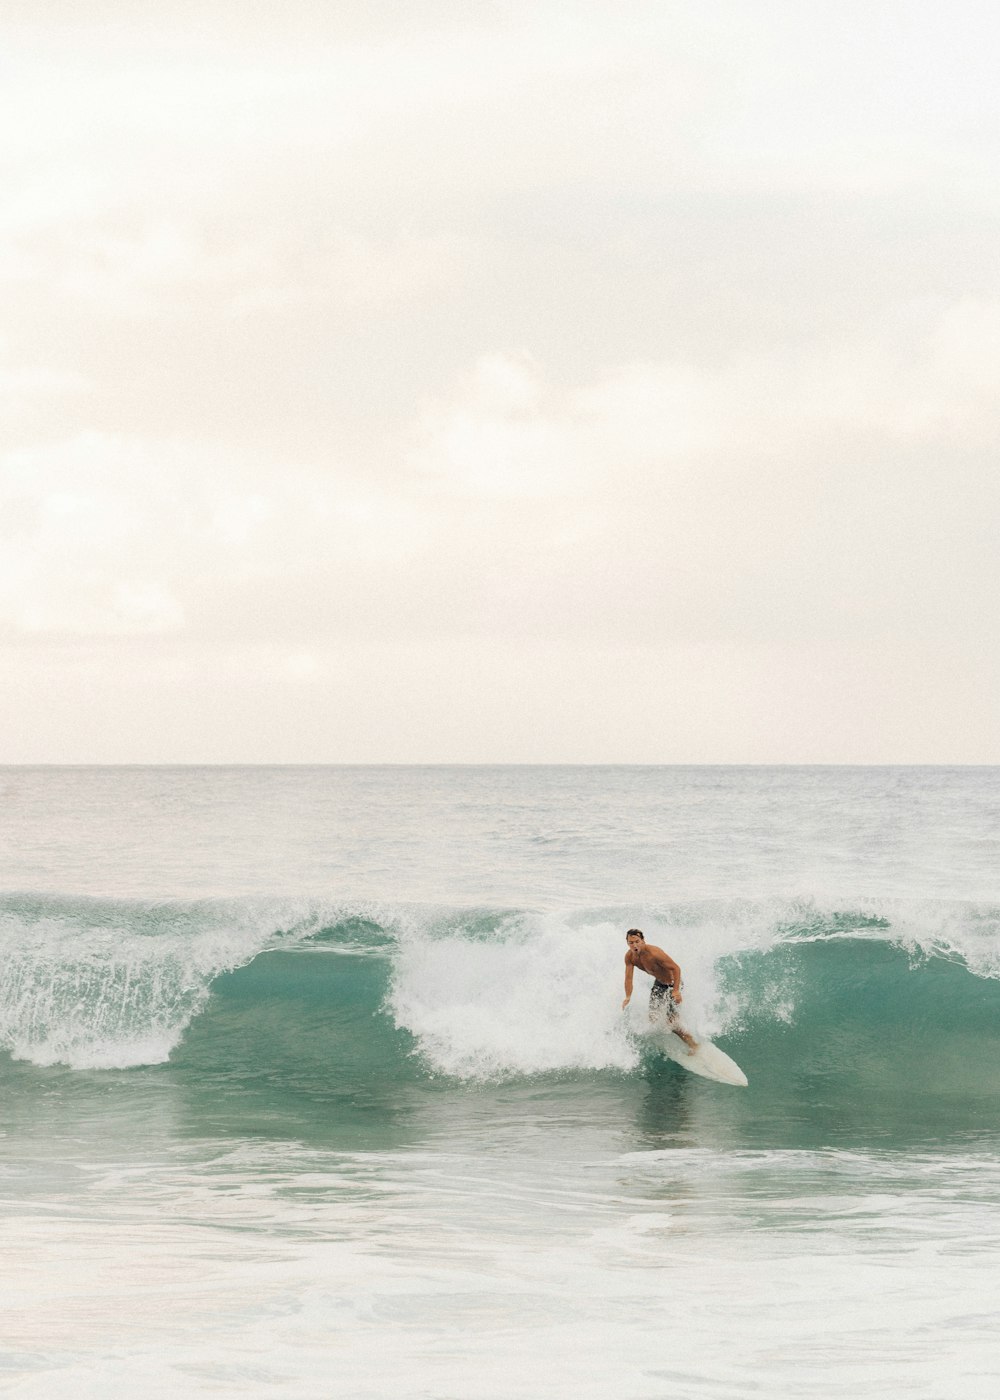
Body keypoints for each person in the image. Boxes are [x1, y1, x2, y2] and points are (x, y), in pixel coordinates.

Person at [621, 928, 698, 1051]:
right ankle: (669, 1032)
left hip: (672, 985)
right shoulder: (630, 957)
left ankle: (693, 1045)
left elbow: (676, 968)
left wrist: (676, 990)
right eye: (631, 942)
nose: (634, 945)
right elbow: (628, 978)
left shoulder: (654, 953)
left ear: (643, 941)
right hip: (659, 984)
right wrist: (628, 996)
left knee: (672, 1022)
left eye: (637, 941)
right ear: (627, 943)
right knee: (652, 1017)